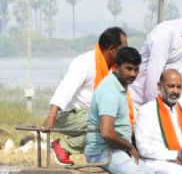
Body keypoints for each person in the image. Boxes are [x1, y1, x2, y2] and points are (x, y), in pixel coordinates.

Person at [40, 27, 128, 165]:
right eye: (123, 49)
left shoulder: (114, 69)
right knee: (106, 126)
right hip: (69, 115)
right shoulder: (85, 63)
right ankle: (63, 146)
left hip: (90, 115)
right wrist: (51, 116)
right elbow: (65, 89)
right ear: (112, 49)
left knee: (120, 125)